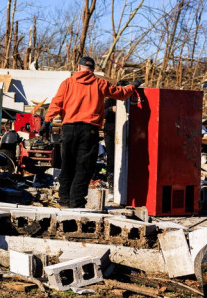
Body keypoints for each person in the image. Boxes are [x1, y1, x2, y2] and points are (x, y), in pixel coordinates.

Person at [40, 57, 137, 208]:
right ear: (92, 70)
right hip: (89, 131)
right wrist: (133, 86)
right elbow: (120, 93)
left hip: (69, 129)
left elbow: (56, 103)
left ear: (79, 67)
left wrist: (47, 121)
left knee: (67, 165)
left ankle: (64, 200)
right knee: (83, 167)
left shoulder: (67, 83)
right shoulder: (99, 83)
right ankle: (77, 202)